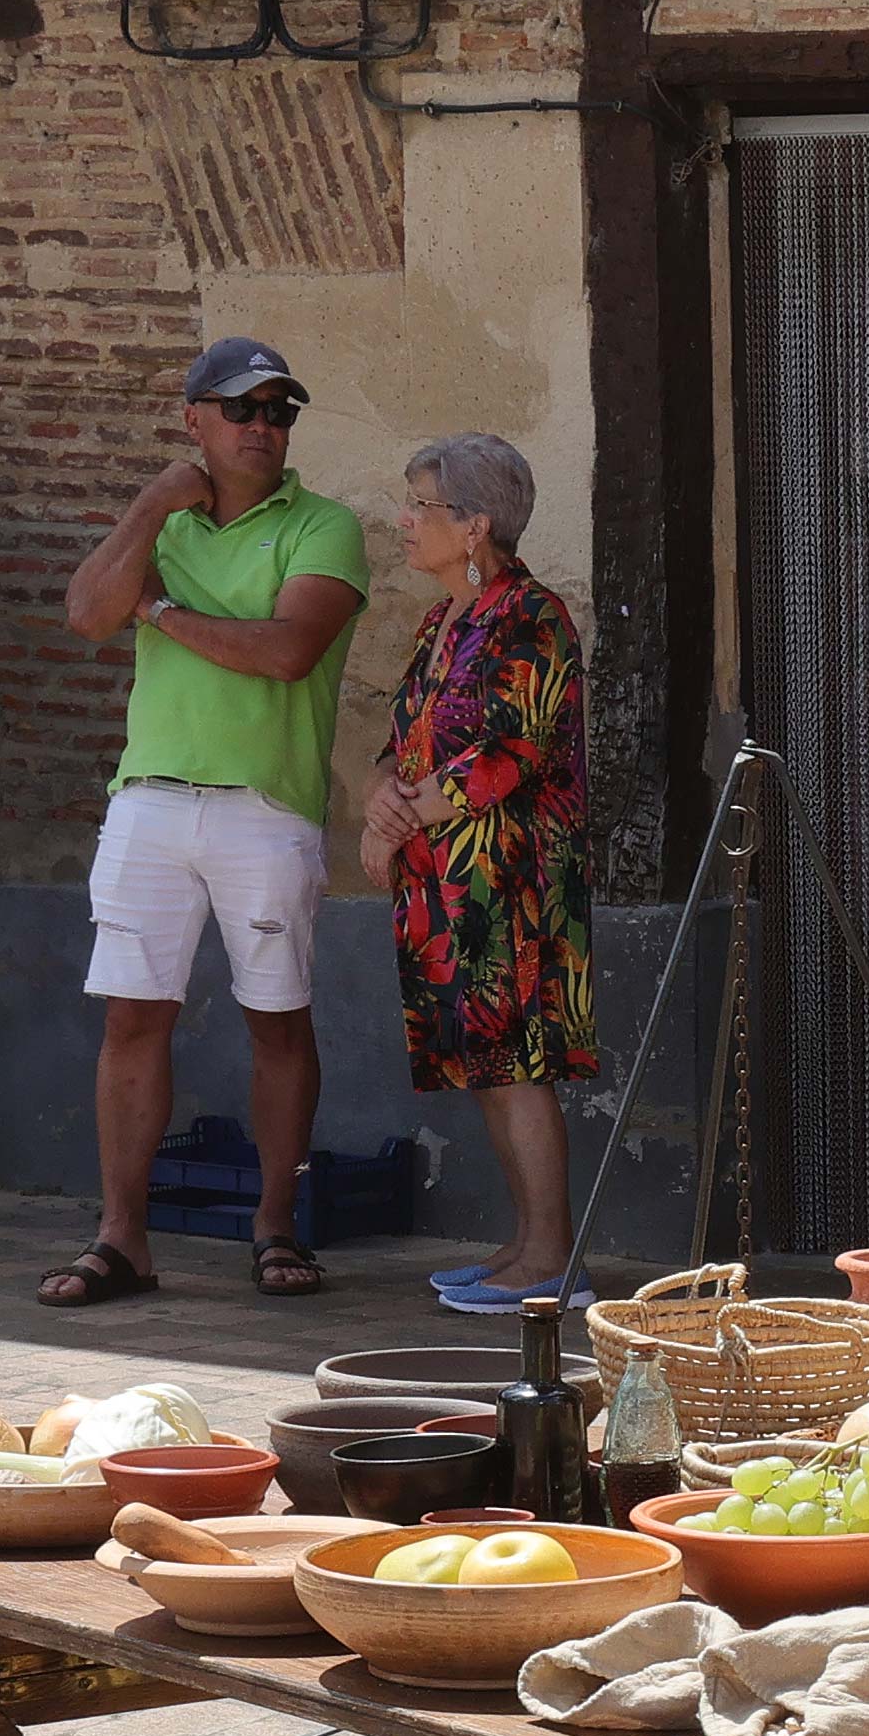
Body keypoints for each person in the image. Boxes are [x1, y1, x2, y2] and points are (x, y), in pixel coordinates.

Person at [46, 336, 368, 1307]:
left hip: (265, 807)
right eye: (242, 408)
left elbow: (285, 651)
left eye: (281, 410)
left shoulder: (324, 525)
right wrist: (150, 509)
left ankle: (277, 1227)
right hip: (148, 798)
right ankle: (122, 1239)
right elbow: (86, 615)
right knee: (133, 1019)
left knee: (278, 1021)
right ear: (195, 421)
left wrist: (164, 614)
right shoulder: (166, 527)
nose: (264, 426)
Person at [358, 434, 598, 1314]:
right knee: (488, 1064)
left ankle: (553, 1259)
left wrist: (402, 821)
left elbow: (510, 753)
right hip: (448, 885)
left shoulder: (533, 617)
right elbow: (406, 744)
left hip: (512, 882)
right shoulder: (441, 621)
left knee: (517, 1061)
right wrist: (384, 800)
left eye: (420, 503)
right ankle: (528, 1242)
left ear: (473, 524)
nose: (404, 520)